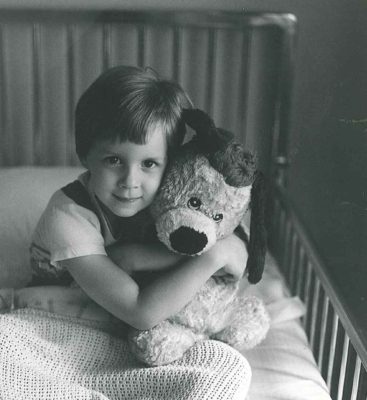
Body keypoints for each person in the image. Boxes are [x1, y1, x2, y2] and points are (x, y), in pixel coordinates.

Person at [29, 65, 247, 330]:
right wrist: (213, 256)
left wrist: (141, 257)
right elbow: (140, 312)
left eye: (149, 164)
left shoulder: (169, 196)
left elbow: (229, 241)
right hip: (61, 309)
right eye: (114, 160)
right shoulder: (67, 218)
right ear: (85, 155)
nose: (130, 182)